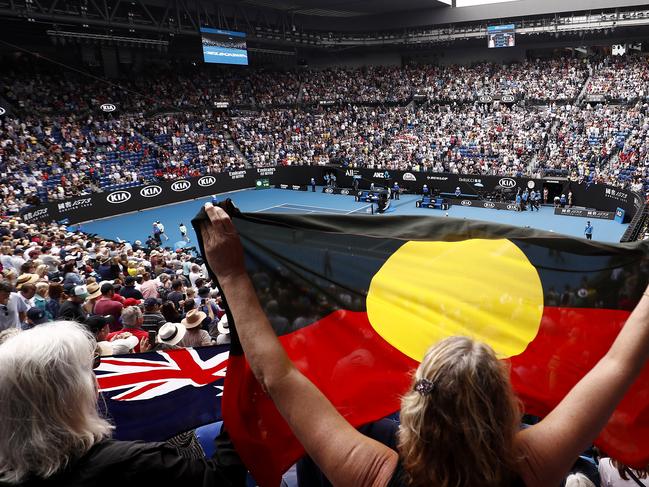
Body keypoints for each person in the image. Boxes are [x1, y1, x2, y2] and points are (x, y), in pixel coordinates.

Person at [199, 202, 649, 487]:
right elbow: (617, 364)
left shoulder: (374, 473)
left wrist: (232, 273)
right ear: (510, 407)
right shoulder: (535, 466)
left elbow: (277, 376)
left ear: (414, 408)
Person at [0, 321, 245, 486]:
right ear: (70, 391)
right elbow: (222, 479)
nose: (96, 378)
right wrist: (238, 404)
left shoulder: (8, 471)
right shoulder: (135, 462)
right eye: (90, 368)